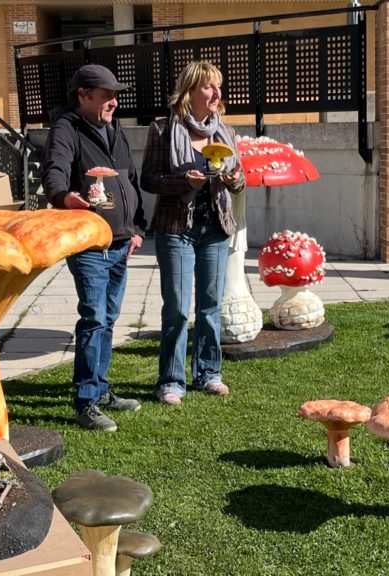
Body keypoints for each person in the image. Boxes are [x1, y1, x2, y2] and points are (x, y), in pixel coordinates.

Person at [40, 64, 147, 431]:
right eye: (105, 95)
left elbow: (130, 181)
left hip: (121, 244)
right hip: (89, 246)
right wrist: (63, 197)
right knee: (94, 319)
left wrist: (137, 229)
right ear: (83, 96)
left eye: (115, 96)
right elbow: (54, 171)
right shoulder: (67, 129)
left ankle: (100, 389)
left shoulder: (115, 130)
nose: (113, 102)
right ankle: (86, 402)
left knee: (108, 320)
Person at [141, 61, 246, 405]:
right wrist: (183, 181)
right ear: (189, 91)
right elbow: (149, 179)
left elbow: (240, 180)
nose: (216, 93)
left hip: (215, 227)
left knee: (210, 306)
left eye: (218, 86)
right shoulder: (163, 129)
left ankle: (209, 373)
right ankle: (171, 381)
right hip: (176, 229)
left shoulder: (225, 132)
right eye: (208, 86)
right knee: (177, 308)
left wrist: (233, 179)